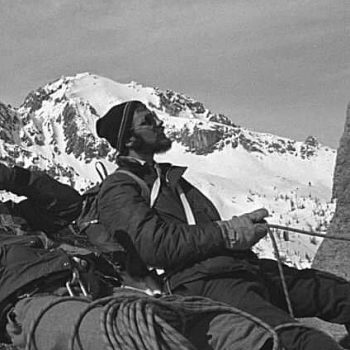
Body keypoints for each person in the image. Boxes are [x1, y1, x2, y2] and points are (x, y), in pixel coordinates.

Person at [96, 100, 350, 350]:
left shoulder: (169, 179)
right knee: (297, 341)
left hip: (240, 268)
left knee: (341, 295)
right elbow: (155, 246)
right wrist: (227, 232)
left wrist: (238, 230)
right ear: (129, 140)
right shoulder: (120, 187)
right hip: (201, 283)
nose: (159, 123)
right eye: (148, 121)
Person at [0, 163, 275, 350]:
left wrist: (11, 177)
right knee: (130, 336)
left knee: (228, 328)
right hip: (31, 304)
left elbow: (69, 206)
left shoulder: (13, 215)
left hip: (98, 285)